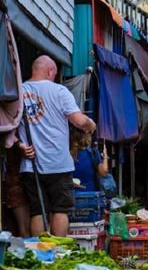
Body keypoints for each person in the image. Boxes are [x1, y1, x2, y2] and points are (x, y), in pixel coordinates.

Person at [17, 56, 96, 237]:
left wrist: (20, 145)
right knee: (60, 210)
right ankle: (58, 256)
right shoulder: (60, 91)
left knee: (38, 211)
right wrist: (91, 124)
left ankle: (39, 254)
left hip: (31, 165)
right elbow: (79, 121)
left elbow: (7, 123)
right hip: (58, 164)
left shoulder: (18, 91)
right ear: (50, 71)